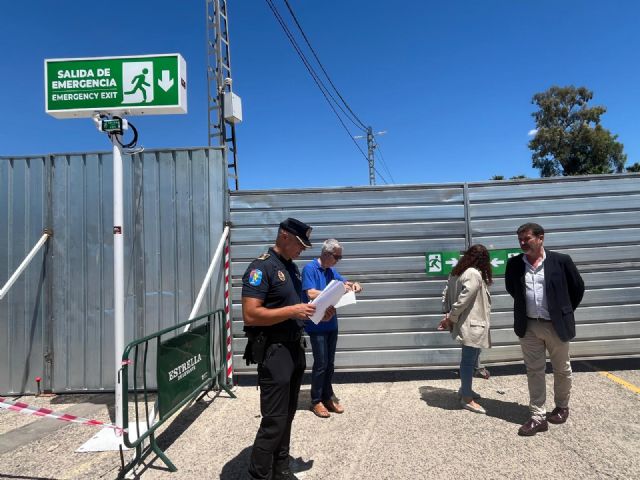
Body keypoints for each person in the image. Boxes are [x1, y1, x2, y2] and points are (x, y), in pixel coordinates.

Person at [242, 218, 335, 480]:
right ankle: (258, 474)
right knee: (274, 421)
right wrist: (293, 310)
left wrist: (318, 313)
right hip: (274, 351)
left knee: (289, 415)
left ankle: (281, 469)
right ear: (284, 235)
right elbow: (250, 314)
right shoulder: (261, 267)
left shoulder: (292, 269)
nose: (303, 249)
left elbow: (297, 308)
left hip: (295, 348)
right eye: (300, 244)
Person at [505, 222, 585, 436]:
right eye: (520, 239)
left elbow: (577, 288)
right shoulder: (514, 264)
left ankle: (561, 406)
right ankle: (538, 416)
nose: (522, 243)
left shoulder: (561, 261)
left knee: (561, 368)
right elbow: (513, 290)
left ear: (541, 238)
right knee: (534, 370)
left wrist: (563, 312)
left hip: (555, 325)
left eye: (527, 239)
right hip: (529, 325)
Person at [301, 239, 362, 418]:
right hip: (316, 324)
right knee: (320, 363)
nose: (339, 260)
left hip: (331, 324)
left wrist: (354, 285)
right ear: (327, 254)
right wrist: (337, 291)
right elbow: (310, 292)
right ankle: (316, 400)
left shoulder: (331, 270)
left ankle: (328, 396)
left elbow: (344, 283)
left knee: (330, 364)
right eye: (337, 257)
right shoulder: (310, 269)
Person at [440, 244, 493, 414]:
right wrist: (450, 318)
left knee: (470, 358)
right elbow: (463, 300)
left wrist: (447, 315)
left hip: (467, 323)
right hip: (472, 324)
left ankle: (465, 390)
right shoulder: (473, 273)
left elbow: (445, 296)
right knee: (468, 361)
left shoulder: (456, 273)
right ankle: (467, 399)